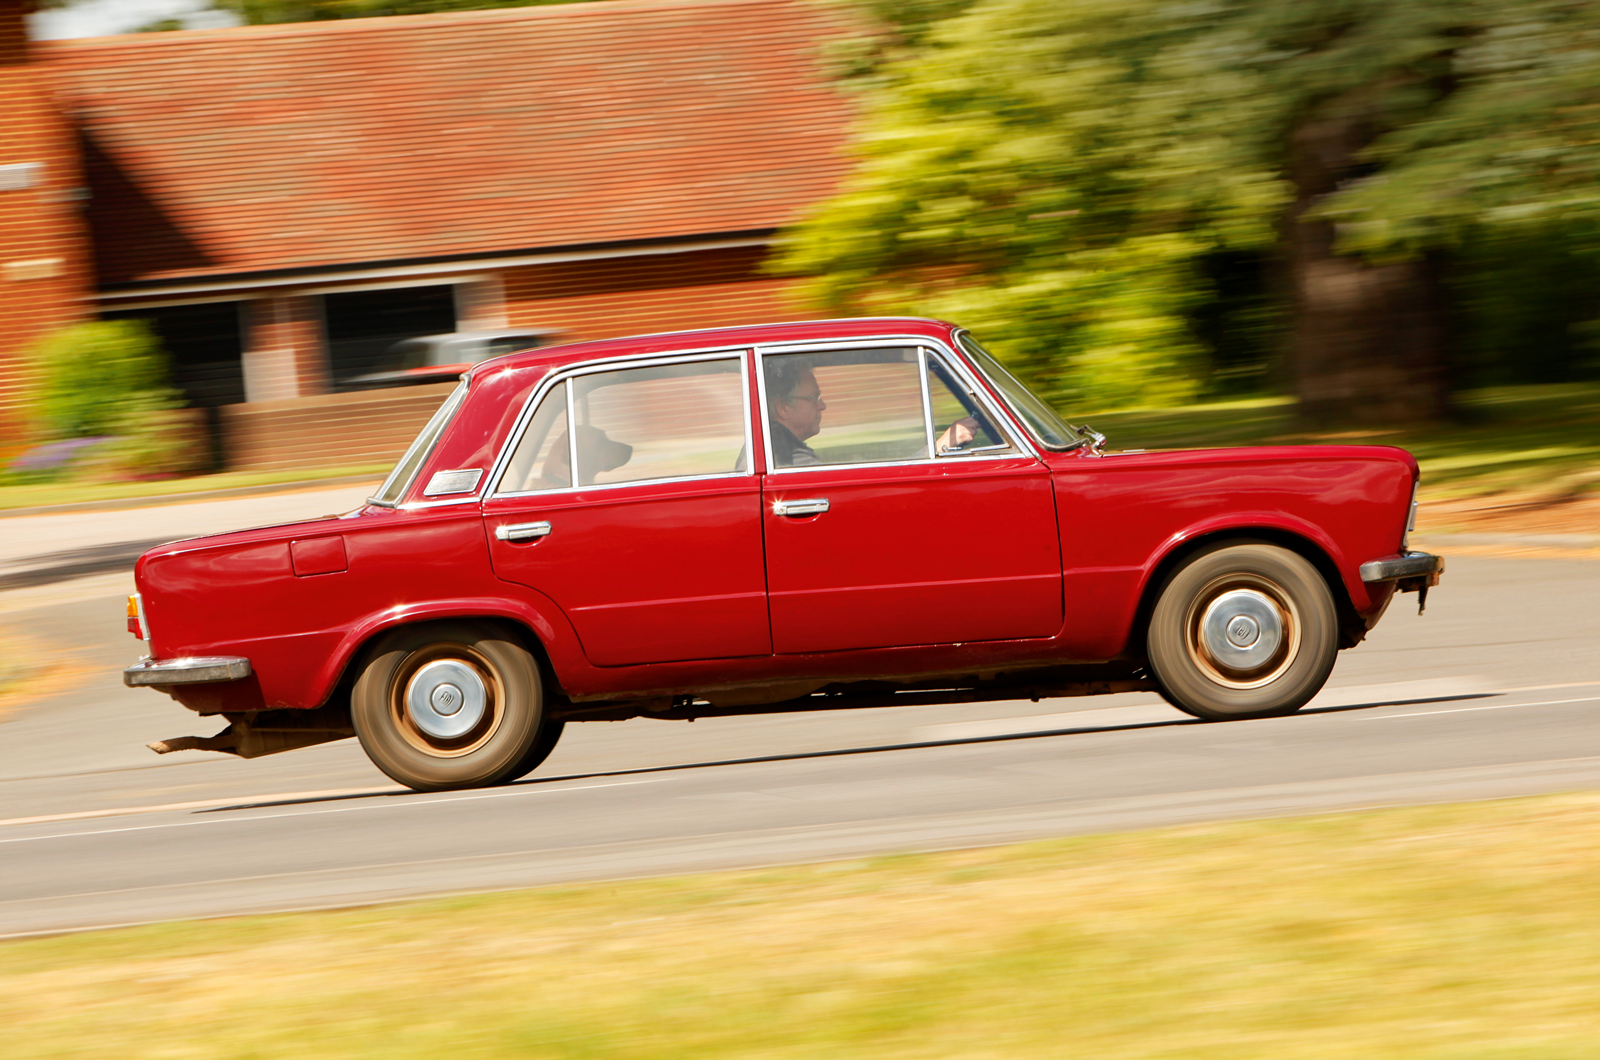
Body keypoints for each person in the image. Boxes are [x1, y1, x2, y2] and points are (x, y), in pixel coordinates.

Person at [764, 358, 826, 466]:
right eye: (813, 398)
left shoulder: (767, 448)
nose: (822, 406)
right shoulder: (790, 460)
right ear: (783, 407)